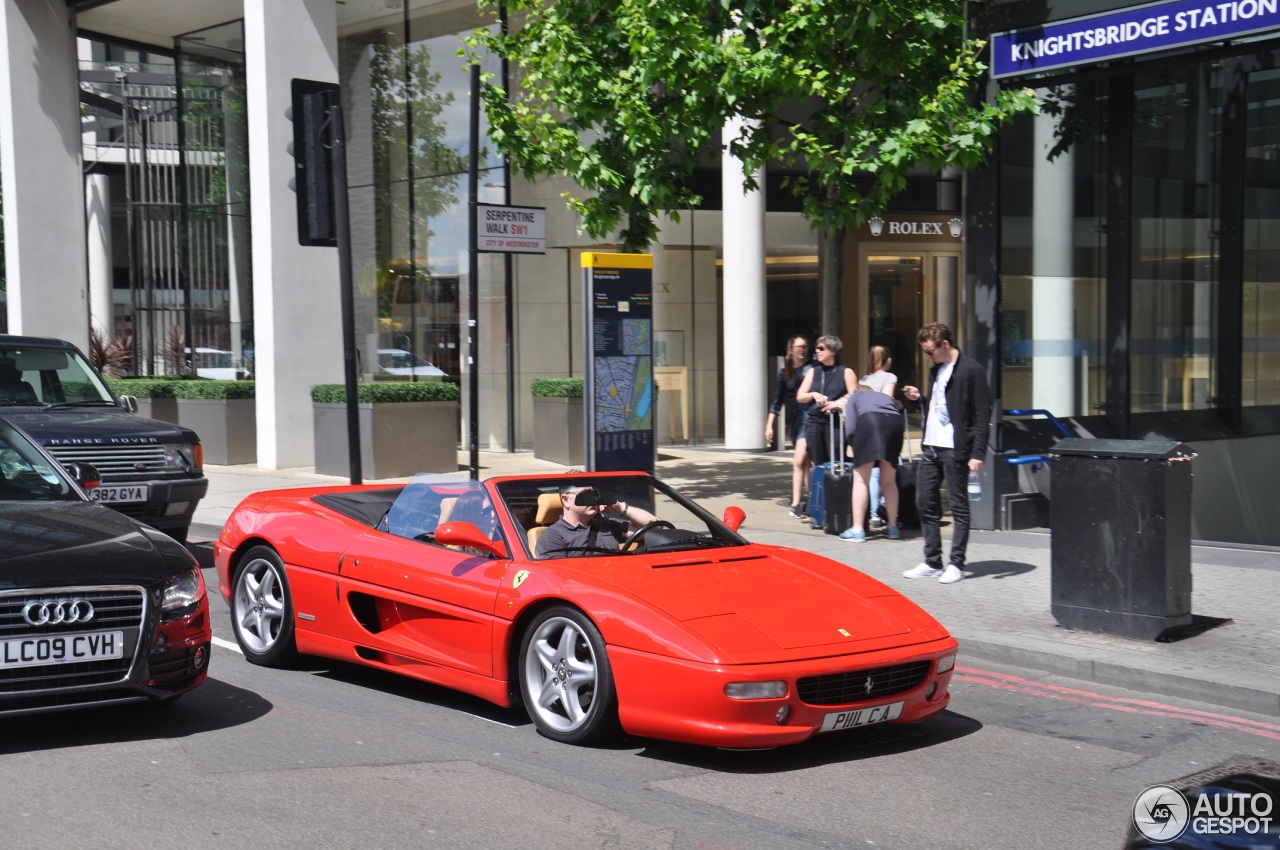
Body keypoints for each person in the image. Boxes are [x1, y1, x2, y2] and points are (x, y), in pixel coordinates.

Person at [899, 322, 992, 584]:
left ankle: (957, 563)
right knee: (924, 501)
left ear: (945, 344)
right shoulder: (936, 369)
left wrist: (978, 452)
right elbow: (942, 407)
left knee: (958, 504)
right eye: (926, 352)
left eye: (930, 351)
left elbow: (982, 414)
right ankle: (932, 561)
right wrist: (920, 399)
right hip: (931, 445)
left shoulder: (971, 370)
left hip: (956, 448)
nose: (928, 356)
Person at [837, 387, 904, 542]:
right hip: (895, 423)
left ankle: (858, 529)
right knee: (889, 481)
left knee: (861, 480)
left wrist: (856, 447)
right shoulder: (883, 397)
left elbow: (851, 428)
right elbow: (897, 406)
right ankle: (893, 527)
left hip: (871, 422)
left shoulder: (854, 397)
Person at [795, 335, 857, 492]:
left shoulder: (846, 372)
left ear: (833, 351)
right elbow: (800, 396)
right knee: (819, 463)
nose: (817, 351)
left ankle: (838, 498)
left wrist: (837, 403)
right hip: (815, 422)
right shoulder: (813, 371)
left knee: (836, 462)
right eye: (816, 348)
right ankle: (820, 502)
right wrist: (814, 395)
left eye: (821, 348)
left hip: (835, 423)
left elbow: (855, 396)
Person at [535, 484, 658, 558]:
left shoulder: (605, 525)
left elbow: (654, 528)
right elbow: (560, 579)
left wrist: (619, 507)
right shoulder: (552, 536)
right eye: (585, 494)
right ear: (566, 500)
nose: (592, 499)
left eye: (594, 494)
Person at [764, 335, 814, 519]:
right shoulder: (785, 372)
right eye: (799, 346)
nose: (802, 349)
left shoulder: (813, 368)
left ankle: (795, 503)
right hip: (794, 420)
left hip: (809, 417)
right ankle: (811, 500)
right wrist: (769, 425)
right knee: (806, 462)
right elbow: (777, 401)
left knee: (799, 459)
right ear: (791, 349)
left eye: (805, 346)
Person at [858, 345, 899, 529]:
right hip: (885, 427)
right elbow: (886, 399)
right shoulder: (890, 377)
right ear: (888, 359)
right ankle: (892, 526)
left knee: (869, 476)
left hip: (865, 428)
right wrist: (897, 403)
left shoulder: (864, 379)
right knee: (888, 480)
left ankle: (872, 515)